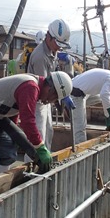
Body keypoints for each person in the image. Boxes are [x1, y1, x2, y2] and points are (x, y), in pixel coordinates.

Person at [0, 71, 73, 184]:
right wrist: (40, 147)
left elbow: (14, 110)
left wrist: (13, 136)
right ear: (50, 90)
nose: (50, 102)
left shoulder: (33, 86)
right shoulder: (30, 87)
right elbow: (28, 121)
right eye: (53, 99)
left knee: (8, 153)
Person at [26, 19, 71, 151]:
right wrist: (61, 98)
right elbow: (46, 88)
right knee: (38, 136)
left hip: (46, 100)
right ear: (49, 36)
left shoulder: (52, 51)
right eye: (58, 44)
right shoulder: (40, 56)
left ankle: (45, 164)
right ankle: (33, 165)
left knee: (48, 132)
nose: (59, 48)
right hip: (37, 100)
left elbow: (54, 77)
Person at [70, 68, 110, 144]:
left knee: (99, 98)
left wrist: (107, 114)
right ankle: (79, 150)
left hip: (77, 89)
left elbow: (103, 96)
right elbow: (105, 95)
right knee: (80, 126)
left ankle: (77, 109)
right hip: (75, 94)